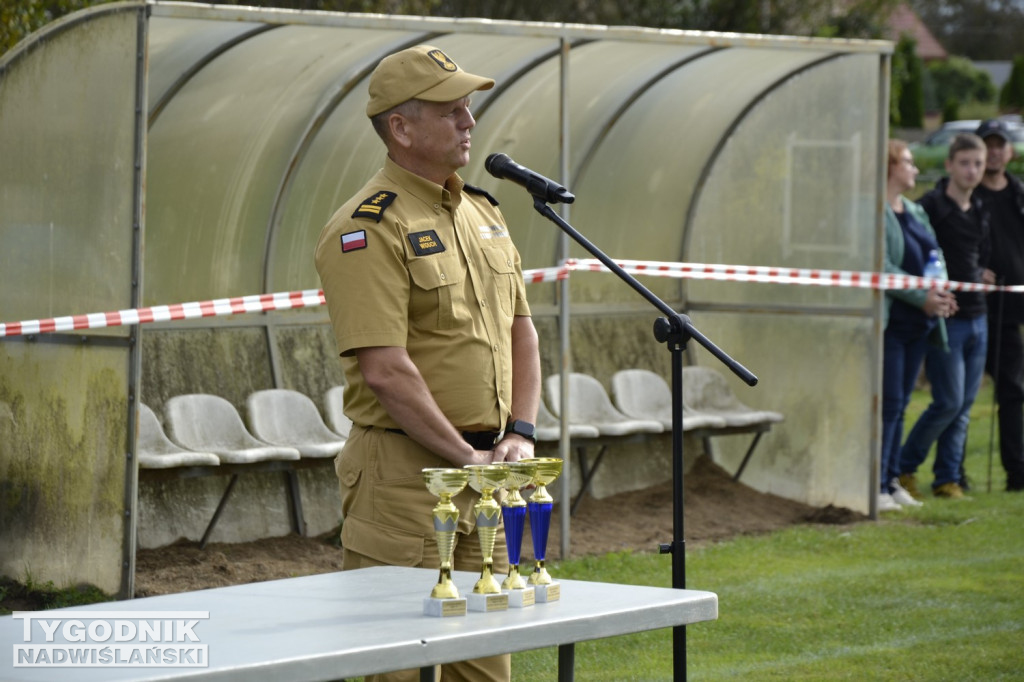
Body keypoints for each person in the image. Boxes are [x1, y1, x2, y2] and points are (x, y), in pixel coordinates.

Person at [314, 45, 541, 682]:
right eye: (451, 110)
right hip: (405, 482)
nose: (469, 120)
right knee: (400, 667)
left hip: (485, 474)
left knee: (483, 668)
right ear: (401, 128)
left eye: (469, 107)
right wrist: (464, 459)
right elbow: (386, 369)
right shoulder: (366, 228)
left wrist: (519, 433)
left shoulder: (483, 213)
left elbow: (520, 328)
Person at [899, 133, 991, 500]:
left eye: (978, 164)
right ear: (950, 165)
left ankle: (947, 478)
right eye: (965, 162)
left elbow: (978, 254)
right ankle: (905, 465)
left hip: (979, 316)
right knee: (948, 401)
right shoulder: (930, 207)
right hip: (944, 319)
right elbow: (917, 255)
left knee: (965, 406)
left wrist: (982, 272)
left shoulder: (981, 209)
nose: (971, 170)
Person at [881, 140, 958, 511]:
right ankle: (878, 483)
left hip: (920, 326)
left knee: (902, 403)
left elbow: (933, 255)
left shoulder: (914, 210)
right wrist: (921, 295)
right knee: (889, 402)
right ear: (889, 167)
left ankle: (892, 480)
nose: (914, 168)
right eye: (908, 161)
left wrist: (941, 292)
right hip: (891, 325)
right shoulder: (877, 212)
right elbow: (882, 267)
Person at [975, 118, 1024, 492]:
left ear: (1009, 151)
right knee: (956, 397)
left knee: (1012, 389)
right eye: (986, 144)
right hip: (973, 308)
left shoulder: (1019, 195)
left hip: (1012, 312)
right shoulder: (966, 194)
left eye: (999, 144)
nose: (993, 151)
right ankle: (950, 475)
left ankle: (1017, 472)